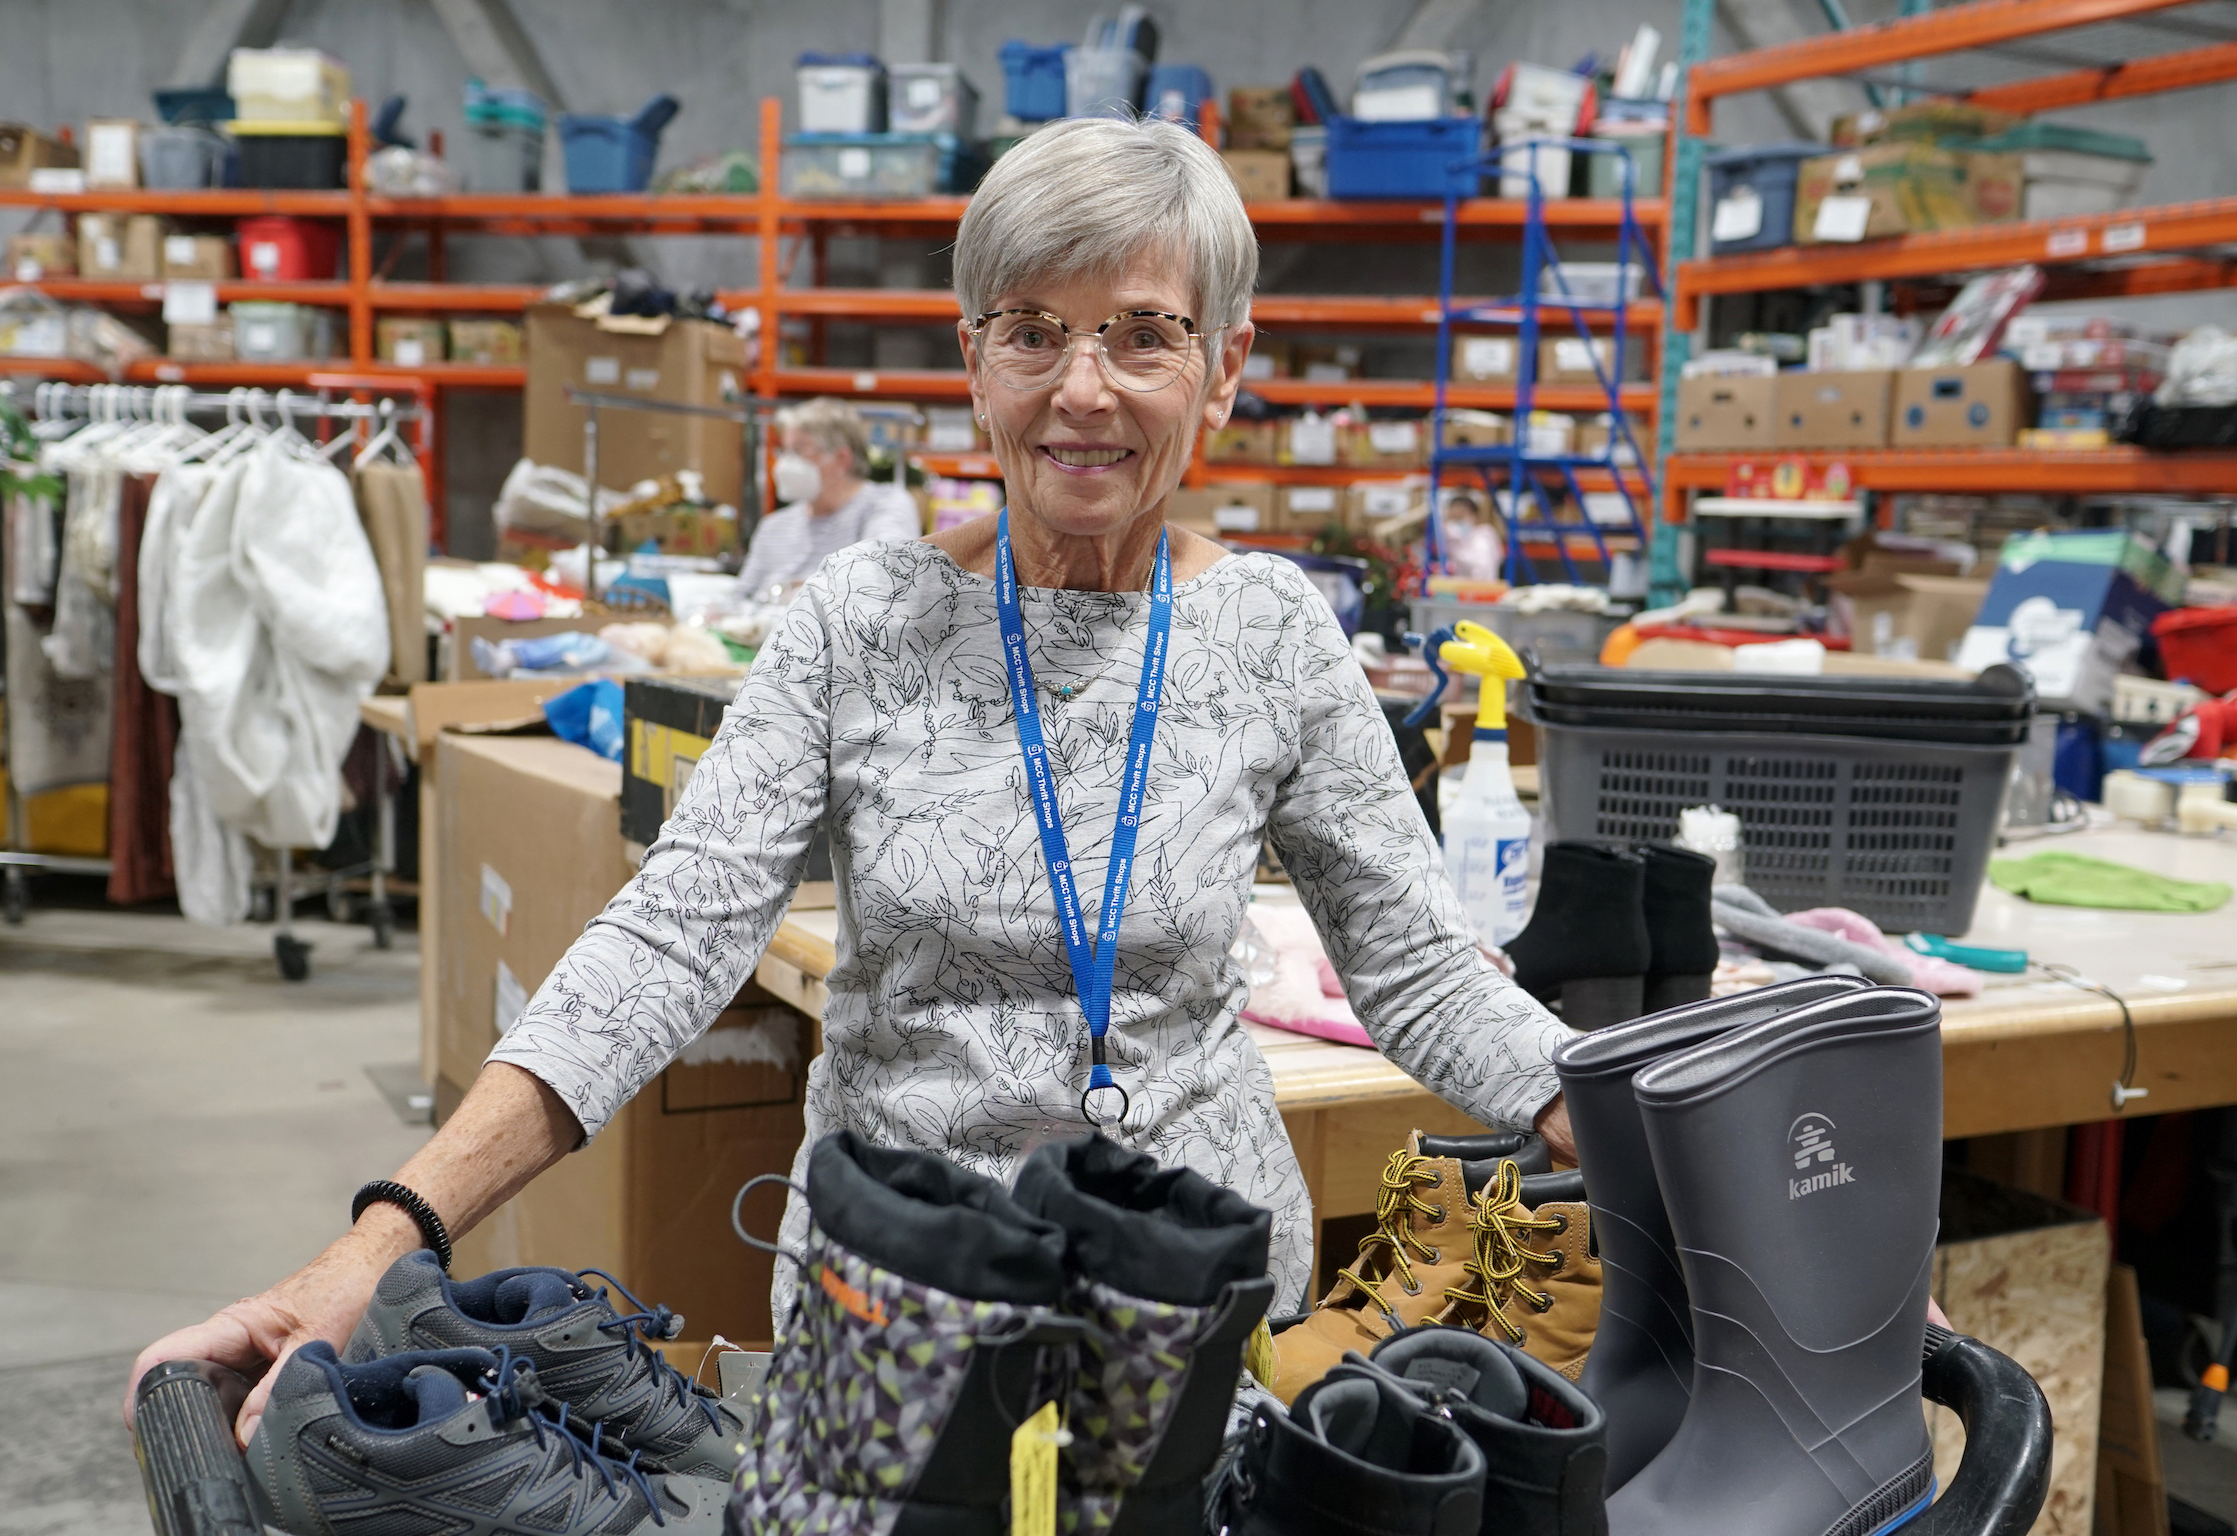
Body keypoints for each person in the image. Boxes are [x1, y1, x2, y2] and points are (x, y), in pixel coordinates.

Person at [127, 114, 1577, 1444]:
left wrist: (1647, 1133)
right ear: (972, 361)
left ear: (1227, 365)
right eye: (1033, 333)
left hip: (1186, 1305)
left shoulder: (1275, 636)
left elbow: (1421, 973)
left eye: (1143, 334)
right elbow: (668, 937)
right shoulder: (858, 622)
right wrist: (385, 1237)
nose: (1083, 388)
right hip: (897, 1311)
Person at [732, 396, 921, 600]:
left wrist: (796, 592)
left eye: (799, 450)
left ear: (841, 459)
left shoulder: (883, 505)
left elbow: (887, 574)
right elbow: (738, 598)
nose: (785, 463)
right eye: (784, 451)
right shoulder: (774, 527)